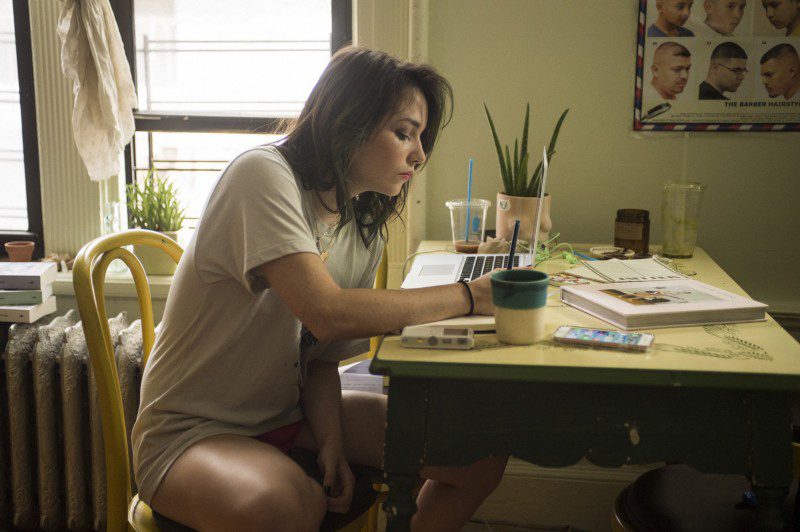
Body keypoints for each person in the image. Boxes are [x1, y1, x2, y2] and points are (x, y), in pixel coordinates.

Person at [131, 47, 508, 532]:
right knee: (288, 506)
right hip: (190, 433)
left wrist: (331, 442)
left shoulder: (362, 226)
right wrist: (468, 295)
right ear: (348, 122)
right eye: (403, 133)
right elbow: (326, 313)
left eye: (421, 138)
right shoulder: (261, 174)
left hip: (287, 416)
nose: (419, 154)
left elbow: (322, 358)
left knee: (479, 453)